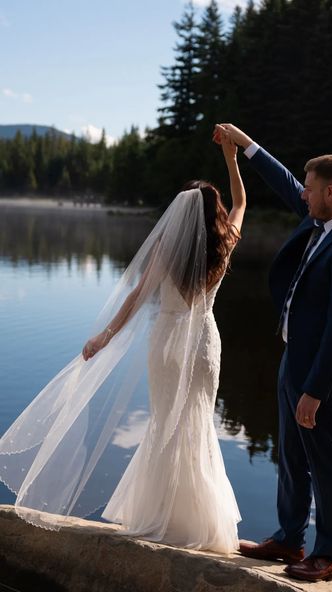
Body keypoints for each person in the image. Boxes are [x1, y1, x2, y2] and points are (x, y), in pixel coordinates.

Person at [0, 130, 245, 554]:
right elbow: (242, 203)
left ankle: (162, 516)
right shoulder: (224, 245)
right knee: (197, 423)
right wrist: (231, 157)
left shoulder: (166, 249)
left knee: (166, 423)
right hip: (204, 341)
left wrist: (104, 335)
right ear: (214, 214)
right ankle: (198, 522)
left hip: (167, 341)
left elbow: (137, 296)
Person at [213, 123, 332, 581]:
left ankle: (325, 556)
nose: (301, 195)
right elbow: (287, 181)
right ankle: (288, 538)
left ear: (329, 191)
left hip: (322, 376)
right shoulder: (322, 218)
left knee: (325, 465)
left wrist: (314, 391)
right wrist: (245, 145)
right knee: (290, 454)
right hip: (294, 360)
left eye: (309, 189)